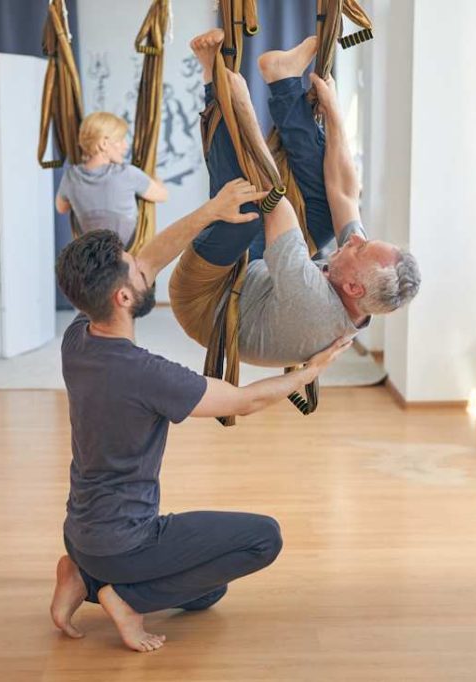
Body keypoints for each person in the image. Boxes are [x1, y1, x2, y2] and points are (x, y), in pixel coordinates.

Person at [49, 177, 352, 653]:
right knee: (262, 540)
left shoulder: (78, 338)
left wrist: (213, 210)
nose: (144, 267)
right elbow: (242, 400)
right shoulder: (147, 374)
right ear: (123, 299)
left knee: (208, 591)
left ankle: (82, 574)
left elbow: (147, 258)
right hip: (127, 543)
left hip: (83, 534)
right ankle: (120, 596)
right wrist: (307, 372)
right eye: (136, 271)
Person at [169, 30, 421, 368]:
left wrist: (236, 104)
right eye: (365, 240)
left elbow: (272, 197)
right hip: (258, 277)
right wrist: (332, 110)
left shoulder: (313, 304)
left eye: (359, 249)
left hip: (207, 300)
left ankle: (213, 80)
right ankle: (283, 77)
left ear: (353, 288)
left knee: (244, 209)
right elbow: (345, 193)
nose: (356, 240)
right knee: (324, 215)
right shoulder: (359, 284)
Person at [55, 111, 169, 245]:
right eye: (120, 140)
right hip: (126, 254)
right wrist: (155, 177)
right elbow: (163, 195)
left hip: (91, 255)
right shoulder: (127, 174)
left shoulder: (71, 177)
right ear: (103, 143)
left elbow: (61, 208)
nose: (125, 145)